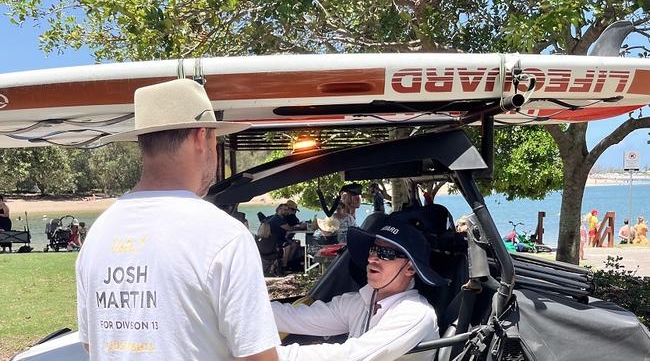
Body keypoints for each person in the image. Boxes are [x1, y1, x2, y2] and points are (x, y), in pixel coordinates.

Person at [75, 79, 279, 360]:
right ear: (200, 137)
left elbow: (92, 343)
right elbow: (258, 357)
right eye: (214, 140)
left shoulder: (99, 233)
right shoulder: (223, 235)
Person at [271, 220, 442, 361]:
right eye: (373, 249)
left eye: (386, 253)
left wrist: (270, 356)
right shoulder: (359, 302)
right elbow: (297, 317)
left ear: (410, 269)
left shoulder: (415, 313)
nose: (372, 258)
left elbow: (350, 356)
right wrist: (246, 313)